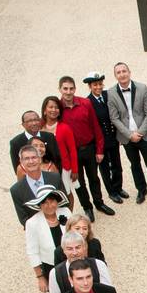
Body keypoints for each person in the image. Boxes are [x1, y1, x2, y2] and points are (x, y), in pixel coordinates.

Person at [57, 76, 115, 221]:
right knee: (79, 183)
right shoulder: (57, 108)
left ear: (75, 89)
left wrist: (99, 150)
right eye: (65, 88)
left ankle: (99, 203)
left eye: (71, 88)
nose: (68, 92)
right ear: (60, 89)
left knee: (94, 178)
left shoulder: (85, 103)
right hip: (72, 153)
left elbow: (96, 127)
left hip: (89, 148)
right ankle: (87, 207)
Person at [107, 62, 147, 204]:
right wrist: (129, 134)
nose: (122, 74)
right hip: (126, 137)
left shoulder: (142, 88)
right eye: (118, 72)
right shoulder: (111, 93)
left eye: (124, 71)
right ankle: (141, 190)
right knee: (135, 164)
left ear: (129, 72)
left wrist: (140, 132)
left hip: (145, 134)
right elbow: (114, 117)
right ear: (115, 75)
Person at [23, 185, 72, 293]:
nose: (49, 205)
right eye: (44, 203)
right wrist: (40, 277)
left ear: (57, 201)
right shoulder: (32, 223)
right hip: (49, 264)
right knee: (55, 286)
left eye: (52, 201)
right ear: (39, 205)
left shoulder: (65, 212)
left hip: (70, 258)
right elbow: (32, 251)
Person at [83, 71, 125, 205]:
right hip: (99, 141)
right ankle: (111, 191)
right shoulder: (87, 102)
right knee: (105, 168)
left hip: (112, 137)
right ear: (90, 86)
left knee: (117, 165)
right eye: (95, 85)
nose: (98, 87)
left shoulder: (108, 95)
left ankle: (118, 187)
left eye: (100, 84)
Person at [48, 231, 113, 293]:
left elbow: (109, 292)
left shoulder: (99, 265)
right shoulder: (55, 273)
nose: (74, 253)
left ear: (84, 247)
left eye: (78, 247)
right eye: (70, 249)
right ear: (63, 250)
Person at [10, 145, 63, 228]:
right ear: (21, 162)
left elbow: (64, 203)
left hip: (60, 225)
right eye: (26, 158)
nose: (31, 161)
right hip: (38, 231)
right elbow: (23, 218)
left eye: (34, 157)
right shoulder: (16, 190)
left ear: (40, 159)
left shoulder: (55, 177)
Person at [40, 96, 79, 206]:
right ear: (44, 110)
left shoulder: (64, 128)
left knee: (67, 192)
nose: (54, 110)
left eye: (56, 107)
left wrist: (75, 170)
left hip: (64, 167)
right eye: (51, 107)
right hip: (46, 167)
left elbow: (72, 150)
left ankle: (68, 215)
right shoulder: (40, 128)